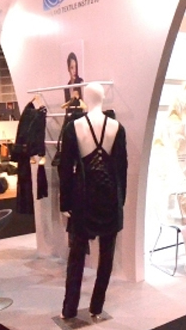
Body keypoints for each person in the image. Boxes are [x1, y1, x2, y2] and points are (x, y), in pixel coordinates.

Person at [58, 83, 127, 320]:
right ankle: (96, 307)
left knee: (76, 257)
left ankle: (69, 310)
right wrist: (121, 201)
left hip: (82, 197)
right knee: (106, 257)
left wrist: (65, 202)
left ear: (85, 98)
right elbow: (122, 168)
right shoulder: (117, 128)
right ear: (104, 97)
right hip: (110, 197)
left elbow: (65, 169)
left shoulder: (74, 127)